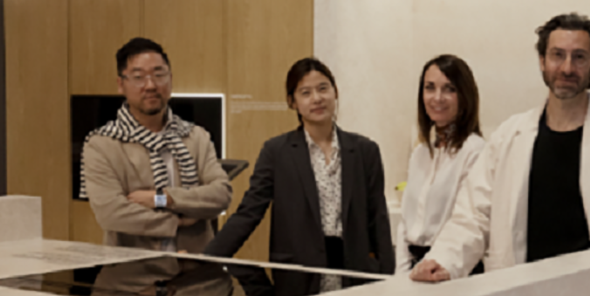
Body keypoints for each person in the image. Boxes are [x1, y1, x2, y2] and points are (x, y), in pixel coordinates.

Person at [411, 13, 590, 281]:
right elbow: (473, 215)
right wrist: (443, 260)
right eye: (557, 55)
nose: (567, 68)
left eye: (579, 57)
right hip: (521, 294)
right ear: (542, 61)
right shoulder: (508, 137)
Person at [205, 57, 394, 274]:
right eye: (305, 93)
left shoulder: (365, 150)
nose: (317, 98)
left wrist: (387, 276)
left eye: (323, 88)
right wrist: (206, 259)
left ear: (335, 92)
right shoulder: (276, 152)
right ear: (292, 102)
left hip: (354, 271)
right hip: (298, 273)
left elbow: (378, 218)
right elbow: (249, 212)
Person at [80, 37, 232, 252]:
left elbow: (221, 195)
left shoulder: (195, 136)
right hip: (132, 275)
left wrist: (163, 199)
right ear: (120, 85)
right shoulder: (101, 144)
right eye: (138, 77)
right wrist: (177, 222)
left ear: (170, 79)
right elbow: (112, 213)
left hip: (195, 269)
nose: (150, 85)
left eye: (159, 75)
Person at [396, 54, 487, 273]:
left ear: (464, 96)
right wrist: (400, 272)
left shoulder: (475, 150)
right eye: (430, 88)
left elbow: (468, 222)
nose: (438, 97)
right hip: (413, 267)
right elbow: (405, 221)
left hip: (449, 267)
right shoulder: (420, 152)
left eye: (449, 89)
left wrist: (440, 263)